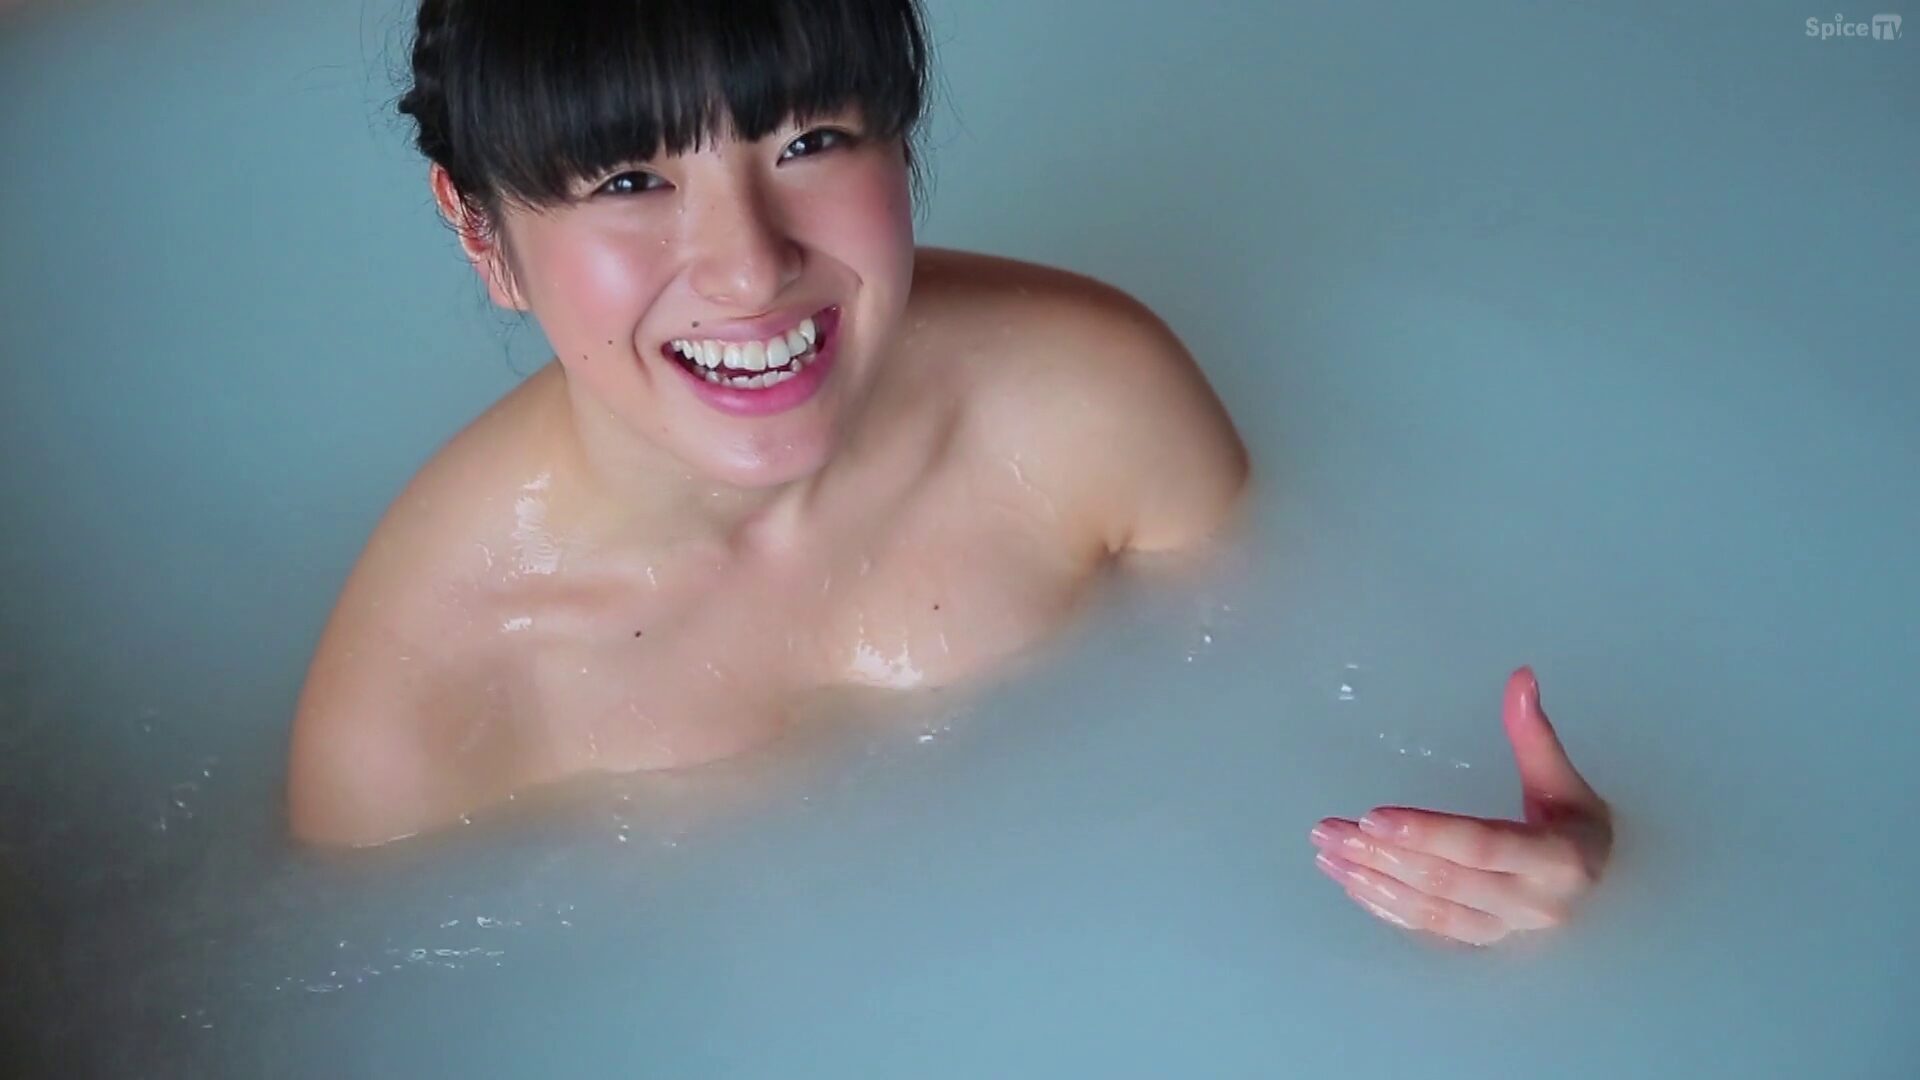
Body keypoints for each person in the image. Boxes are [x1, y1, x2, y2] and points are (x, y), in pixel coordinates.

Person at [288, 0, 1611, 948]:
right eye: (630, 178)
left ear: (902, 143)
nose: (750, 268)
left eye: (810, 141)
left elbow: (1309, 706)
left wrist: (1541, 869)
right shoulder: (421, 716)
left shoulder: (1088, 405)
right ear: (479, 229)